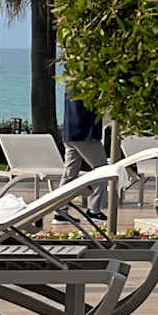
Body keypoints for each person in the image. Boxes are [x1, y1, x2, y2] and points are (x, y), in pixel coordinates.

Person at [55, 94, 108, 224]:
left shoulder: (71, 84)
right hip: (85, 135)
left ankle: (60, 211)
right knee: (104, 170)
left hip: (70, 134)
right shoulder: (88, 86)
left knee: (69, 175)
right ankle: (94, 210)